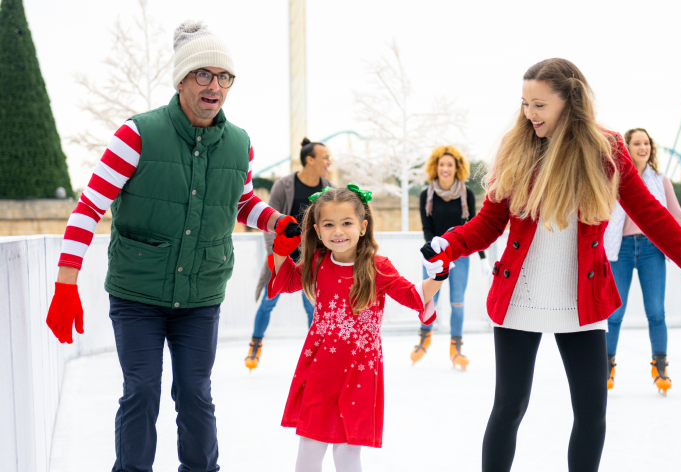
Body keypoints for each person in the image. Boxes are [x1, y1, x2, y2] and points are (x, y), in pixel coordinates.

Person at [419, 58, 681, 472]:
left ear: (570, 101)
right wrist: (450, 244)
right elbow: (491, 222)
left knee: (591, 413)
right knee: (509, 408)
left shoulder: (606, 150)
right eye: (524, 103)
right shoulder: (516, 147)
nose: (529, 114)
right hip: (521, 297)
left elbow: (653, 217)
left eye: (539, 105)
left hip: (582, 300)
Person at [44, 21, 301, 471]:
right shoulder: (137, 135)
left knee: (196, 392)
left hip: (200, 294)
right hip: (137, 292)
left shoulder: (238, 143)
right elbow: (88, 208)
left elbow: (239, 201)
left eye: (224, 77)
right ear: (181, 79)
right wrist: (66, 284)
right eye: (203, 74)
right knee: (142, 389)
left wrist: (275, 221)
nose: (215, 85)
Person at [267, 184, 445, 472]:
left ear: (362, 226)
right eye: (329, 224)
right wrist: (281, 249)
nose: (338, 231)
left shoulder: (378, 266)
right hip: (320, 368)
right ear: (317, 230)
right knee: (310, 446)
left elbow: (416, 297)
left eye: (346, 223)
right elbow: (284, 281)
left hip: (359, 371)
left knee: (347, 451)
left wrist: (438, 272)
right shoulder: (318, 262)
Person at [604, 128, 681, 394]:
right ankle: (606, 367)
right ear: (627, 148)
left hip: (651, 250)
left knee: (656, 312)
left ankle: (660, 367)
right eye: (636, 143)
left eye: (646, 143)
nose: (642, 147)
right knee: (614, 313)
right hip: (619, 250)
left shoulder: (660, 179)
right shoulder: (614, 178)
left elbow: (677, 215)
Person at [245, 137, 334, 371]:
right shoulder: (283, 185)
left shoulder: (329, 189)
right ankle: (256, 344)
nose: (329, 162)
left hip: (311, 262)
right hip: (283, 257)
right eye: (325, 157)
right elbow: (269, 222)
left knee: (312, 307)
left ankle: (316, 353)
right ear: (309, 159)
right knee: (267, 303)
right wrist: (276, 257)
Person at [411, 145, 490, 370]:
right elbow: (427, 228)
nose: (445, 168)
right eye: (442, 164)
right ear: (436, 167)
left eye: (450, 165)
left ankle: (456, 349)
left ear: (457, 169)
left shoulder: (467, 195)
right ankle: (424, 337)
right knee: (429, 299)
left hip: (461, 256)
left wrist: (482, 257)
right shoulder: (427, 194)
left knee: (457, 301)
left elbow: (476, 228)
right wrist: (435, 253)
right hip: (434, 254)